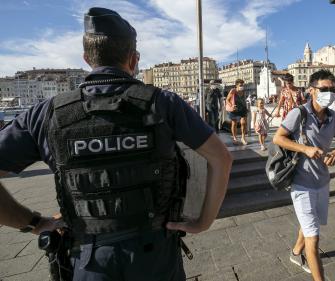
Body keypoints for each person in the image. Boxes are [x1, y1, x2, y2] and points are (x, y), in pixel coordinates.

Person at [0, 7, 233, 281]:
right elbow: (221, 158)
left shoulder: (48, 114)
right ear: (133, 60)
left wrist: (33, 223)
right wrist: (203, 222)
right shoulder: (163, 103)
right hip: (155, 254)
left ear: (87, 59)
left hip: (89, 259)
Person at [273, 70, 335, 281]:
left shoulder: (333, 117)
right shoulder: (299, 113)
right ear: (312, 90)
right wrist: (304, 149)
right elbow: (278, 138)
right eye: (324, 89)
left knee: (310, 223)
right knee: (313, 240)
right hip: (301, 183)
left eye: (333, 89)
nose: (330, 93)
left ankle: (295, 253)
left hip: (323, 182)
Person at [226, 79, 248, 145]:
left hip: (242, 108)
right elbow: (227, 100)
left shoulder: (243, 91)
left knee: (243, 123)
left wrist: (246, 108)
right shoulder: (233, 91)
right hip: (234, 109)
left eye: (243, 85)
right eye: (240, 85)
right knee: (234, 123)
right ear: (236, 85)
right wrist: (231, 105)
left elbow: (244, 99)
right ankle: (235, 138)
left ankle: (243, 138)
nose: (242, 86)